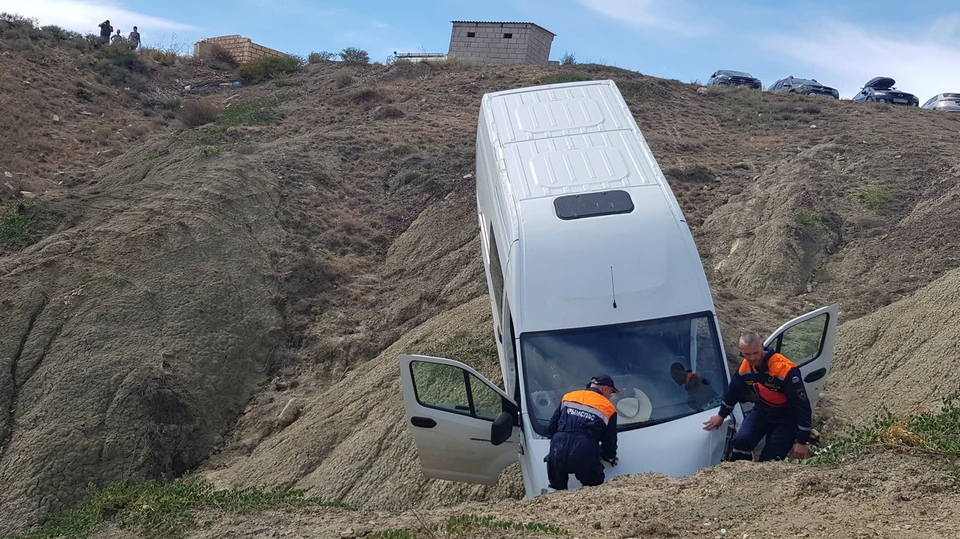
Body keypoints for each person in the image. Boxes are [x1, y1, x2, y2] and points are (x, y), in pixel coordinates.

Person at [703, 332, 813, 461]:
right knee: (741, 442)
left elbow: (803, 405)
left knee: (770, 460)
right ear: (741, 351)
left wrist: (801, 441)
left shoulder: (784, 369)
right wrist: (721, 415)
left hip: (787, 418)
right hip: (762, 410)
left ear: (762, 346)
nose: (752, 358)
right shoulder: (745, 367)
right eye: (747, 354)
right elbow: (733, 392)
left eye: (755, 353)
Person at [545, 374, 619, 490]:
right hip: (584, 448)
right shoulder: (608, 407)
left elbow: (551, 426)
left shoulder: (568, 396)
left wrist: (557, 442)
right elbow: (610, 440)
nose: (610, 396)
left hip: (558, 447)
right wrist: (609, 456)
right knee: (594, 488)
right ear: (605, 389)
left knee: (556, 491)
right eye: (611, 392)